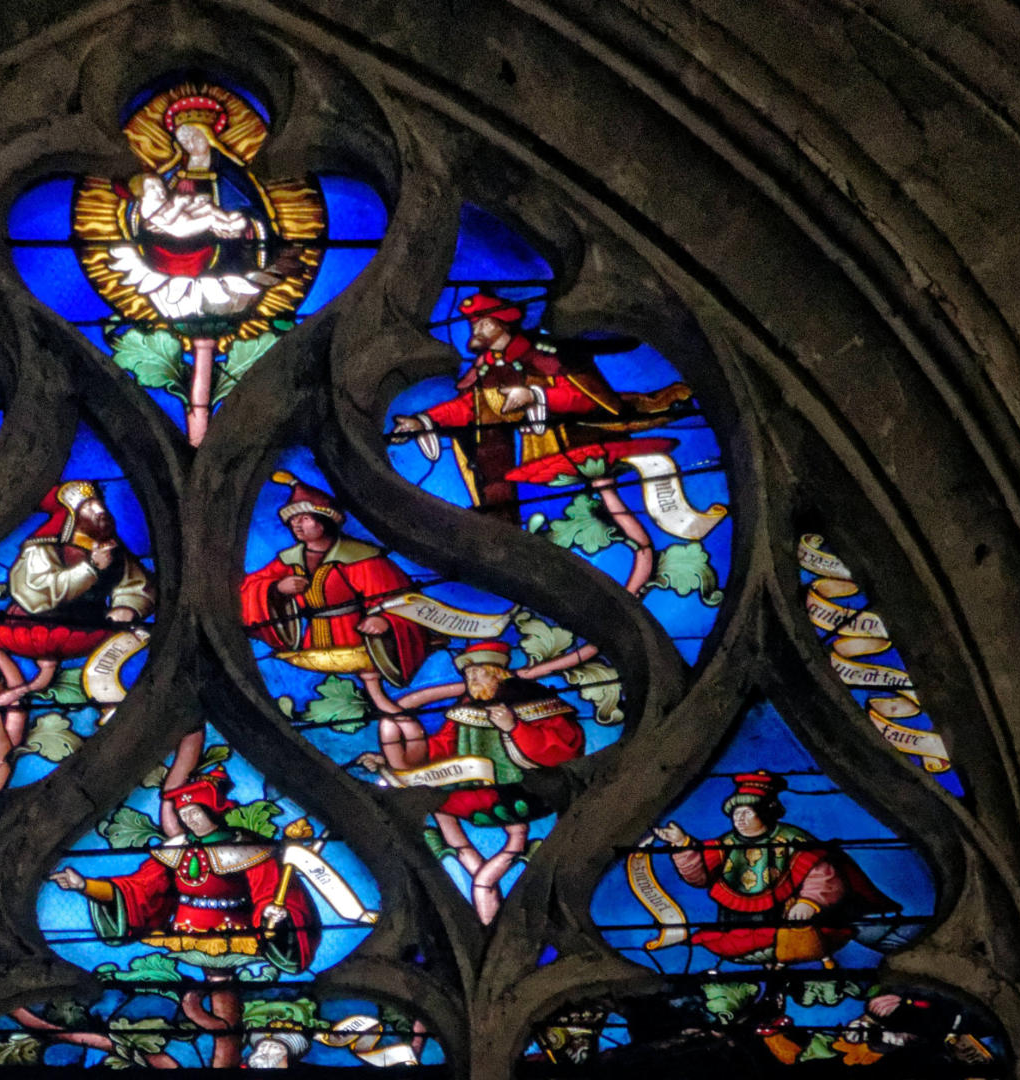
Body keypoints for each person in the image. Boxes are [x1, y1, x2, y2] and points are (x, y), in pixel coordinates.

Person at [390, 293, 690, 517]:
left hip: (574, 450)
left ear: (500, 324)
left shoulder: (543, 356)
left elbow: (586, 398)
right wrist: (423, 421)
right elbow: (470, 407)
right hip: (508, 469)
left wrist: (536, 396)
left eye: (482, 323)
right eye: (475, 323)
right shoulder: (487, 368)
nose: (476, 329)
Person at [355, 641, 584, 922]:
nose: (471, 680)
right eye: (468, 674)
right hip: (477, 795)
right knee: (436, 804)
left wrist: (514, 727)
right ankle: (487, 902)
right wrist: (388, 761)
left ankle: (492, 898)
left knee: (471, 819)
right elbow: (442, 747)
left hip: (524, 795)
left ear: (498, 672)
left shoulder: (533, 699)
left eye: (477, 673)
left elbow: (565, 747)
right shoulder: (467, 706)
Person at [48, 769, 319, 975]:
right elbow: (137, 889)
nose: (189, 819)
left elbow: (269, 891)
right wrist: (85, 886)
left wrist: (272, 913)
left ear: (212, 812)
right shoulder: (175, 849)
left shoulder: (249, 848)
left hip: (236, 937)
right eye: (184, 813)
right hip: (182, 935)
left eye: (195, 812)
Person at [652, 771, 900, 966]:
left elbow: (822, 874)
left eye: (747, 812)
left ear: (765, 812)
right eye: (735, 813)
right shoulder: (725, 844)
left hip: (786, 920)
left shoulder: (793, 839)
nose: (739, 819)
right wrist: (682, 844)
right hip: (735, 922)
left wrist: (809, 902)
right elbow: (699, 878)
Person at [240, 472, 432, 700]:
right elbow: (248, 590)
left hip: (358, 639)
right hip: (312, 643)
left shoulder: (361, 558)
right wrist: (277, 589)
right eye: (292, 520)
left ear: (325, 520)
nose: (296, 525)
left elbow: (401, 600)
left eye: (304, 518)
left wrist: (385, 620)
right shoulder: (288, 560)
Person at [0, 481, 156, 665]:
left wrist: (128, 606)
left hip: (93, 628)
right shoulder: (43, 548)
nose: (100, 511)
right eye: (89, 506)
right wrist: (90, 568)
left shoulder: (111, 549)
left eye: (100, 504)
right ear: (72, 516)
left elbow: (136, 585)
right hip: (39, 628)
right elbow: (36, 592)